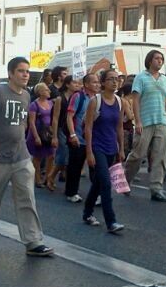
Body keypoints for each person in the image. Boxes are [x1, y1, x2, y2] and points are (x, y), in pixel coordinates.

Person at [0, 57, 54, 257]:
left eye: (27, 71)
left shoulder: (26, 95)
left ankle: (33, 241)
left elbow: (22, 122)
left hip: (21, 156)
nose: (25, 74)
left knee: (27, 197)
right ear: (10, 74)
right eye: (20, 71)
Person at [123, 50, 166, 202]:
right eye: (157, 58)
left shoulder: (164, 79)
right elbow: (136, 100)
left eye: (162, 59)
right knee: (138, 154)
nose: (160, 61)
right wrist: (137, 121)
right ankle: (125, 180)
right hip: (145, 122)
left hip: (162, 122)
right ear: (150, 60)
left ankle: (156, 189)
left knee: (160, 157)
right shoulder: (141, 77)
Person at [83, 69, 125, 233]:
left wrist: (121, 149)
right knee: (106, 184)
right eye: (111, 79)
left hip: (111, 148)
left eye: (117, 79)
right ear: (103, 82)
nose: (115, 82)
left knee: (98, 183)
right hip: (97, 147)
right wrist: (89, 152)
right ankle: (111, 222)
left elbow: (119, 127)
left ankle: (87, 213)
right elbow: (88, 127)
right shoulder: (95, 101)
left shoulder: (120, 102)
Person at [65, 74, 100, 203]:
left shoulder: (98, 98)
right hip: (79, 138)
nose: (97, 84)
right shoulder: (78, 96)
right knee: (75, 167)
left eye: (98, 82)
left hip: (94, 140)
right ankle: (71, 192)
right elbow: (69, 116)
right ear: (86, 84)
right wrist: (73, 135)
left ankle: (97, 194)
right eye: (94, 82)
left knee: (95, 168)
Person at [48, 76, 80, 191]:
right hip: (61, 129)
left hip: (72, 130)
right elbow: (55, 118)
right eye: (74, 82)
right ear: (67, 84)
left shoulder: (77, 97)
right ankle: (51, 176)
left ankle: (53, 176)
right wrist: (55, 136)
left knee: (67, 156)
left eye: (78, 83)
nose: (77, 84)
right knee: (63, 155)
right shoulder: (59, 99)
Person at [27, 83, 55, 188]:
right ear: (40, 92)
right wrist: (36, 137)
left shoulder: (51, 103)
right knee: (37, 158)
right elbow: (32, 122)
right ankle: (37, 179)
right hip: (38, 133)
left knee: (51, 156)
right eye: (47, 90)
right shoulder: (34, 105)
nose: (49, 91)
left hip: (48, 134)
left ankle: (47, 178)